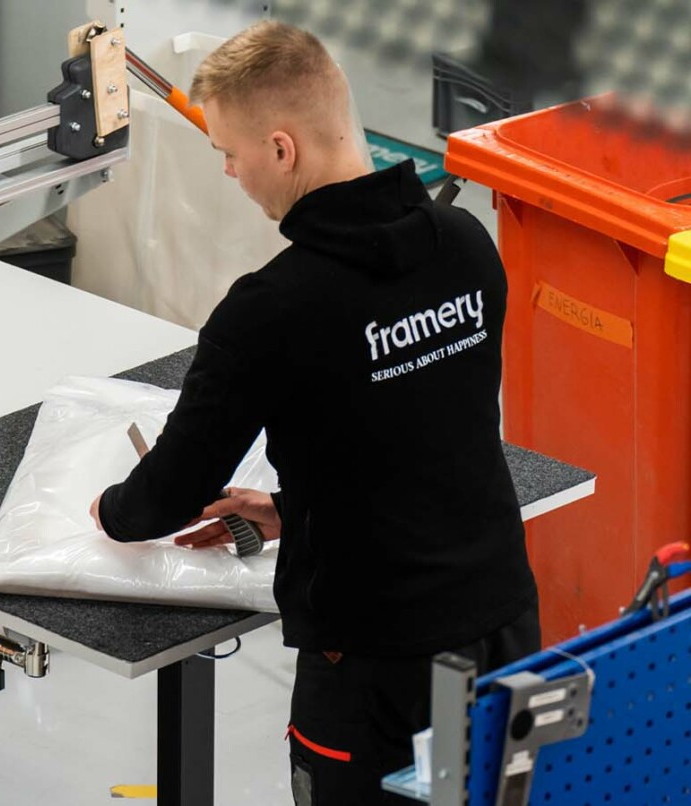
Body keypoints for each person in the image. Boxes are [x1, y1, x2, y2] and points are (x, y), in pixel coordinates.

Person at [89, 20, 540, 805]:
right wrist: (292, 511)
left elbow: (166, 495)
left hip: (373, 669)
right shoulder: (468, 245)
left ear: (283, 150)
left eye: (230, 152)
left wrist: (107, 509)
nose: (228, 171)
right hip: (501, 624)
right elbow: (419, 437)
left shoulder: (271, 311)